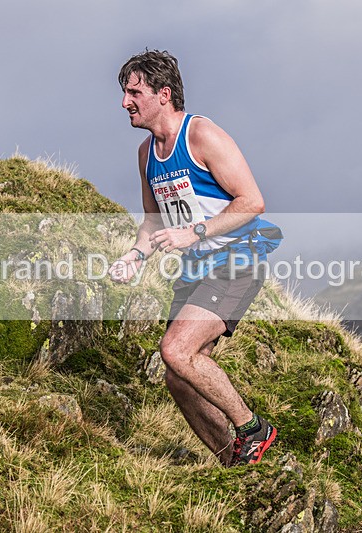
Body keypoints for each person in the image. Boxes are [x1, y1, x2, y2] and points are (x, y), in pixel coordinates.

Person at [108, 49, 278, 467]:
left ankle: (253, 429)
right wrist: (134, 255)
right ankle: (237, 463)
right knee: (178, 376)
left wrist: (195, 231)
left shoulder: (202, 135)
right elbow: (151, 221)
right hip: (196, 270)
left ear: (163, 94)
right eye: (124, 93)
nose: (125, 102)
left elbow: (252, 200)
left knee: (176, 350)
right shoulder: (146, 154)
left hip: (236, 258)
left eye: (134, 92)